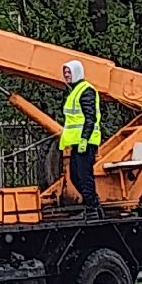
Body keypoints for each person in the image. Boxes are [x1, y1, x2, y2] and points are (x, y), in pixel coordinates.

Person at [60, 60, 103, 218]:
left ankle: (92, 209)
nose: (66, 76)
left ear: (77, 72)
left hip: (85, 142)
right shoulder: (74, 91)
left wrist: (85, 138)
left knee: (84, 176)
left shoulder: (86, 90)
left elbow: (90, 117)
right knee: (75, 176)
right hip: (76, 142)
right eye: (65, 73)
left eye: (69, 72)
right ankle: (94, 205)